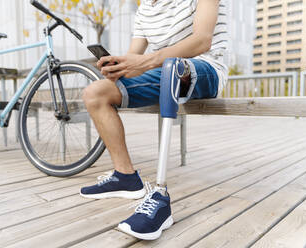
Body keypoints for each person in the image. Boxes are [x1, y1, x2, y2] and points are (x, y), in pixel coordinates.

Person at [80, 0, 228, 240]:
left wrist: (147, 62)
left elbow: (203, 40)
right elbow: (134, 59)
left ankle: (160, 197)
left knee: (171, 68)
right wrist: (120, 67)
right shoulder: (145, 9)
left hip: (206, 69)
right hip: (162, 69)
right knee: (95, 93)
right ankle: (125, 177)